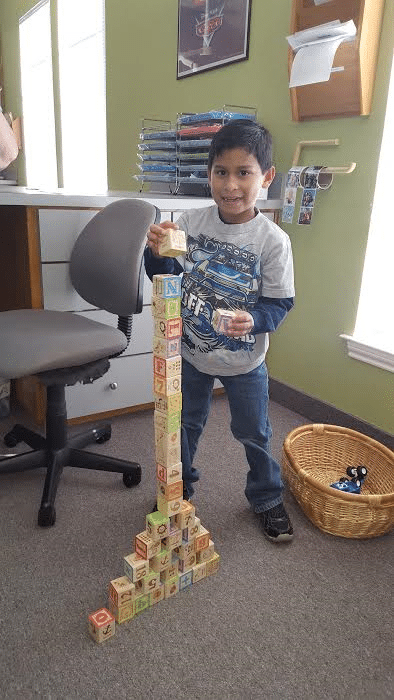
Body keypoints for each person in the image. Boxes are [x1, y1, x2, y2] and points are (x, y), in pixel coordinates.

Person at [144, 119, 295, 543]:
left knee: (254, 430)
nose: (230, 185)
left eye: (243, 173)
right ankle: (179, 488)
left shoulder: (272, 241)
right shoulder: (190, 224)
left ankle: (266, 497)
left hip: (245, 360)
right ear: (207, 174)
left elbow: (280, 303)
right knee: (184, 424)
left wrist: (255, 320)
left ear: (265, 177)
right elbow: (164, 275)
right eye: (220, 172)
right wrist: (155, 252)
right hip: (192, 352)